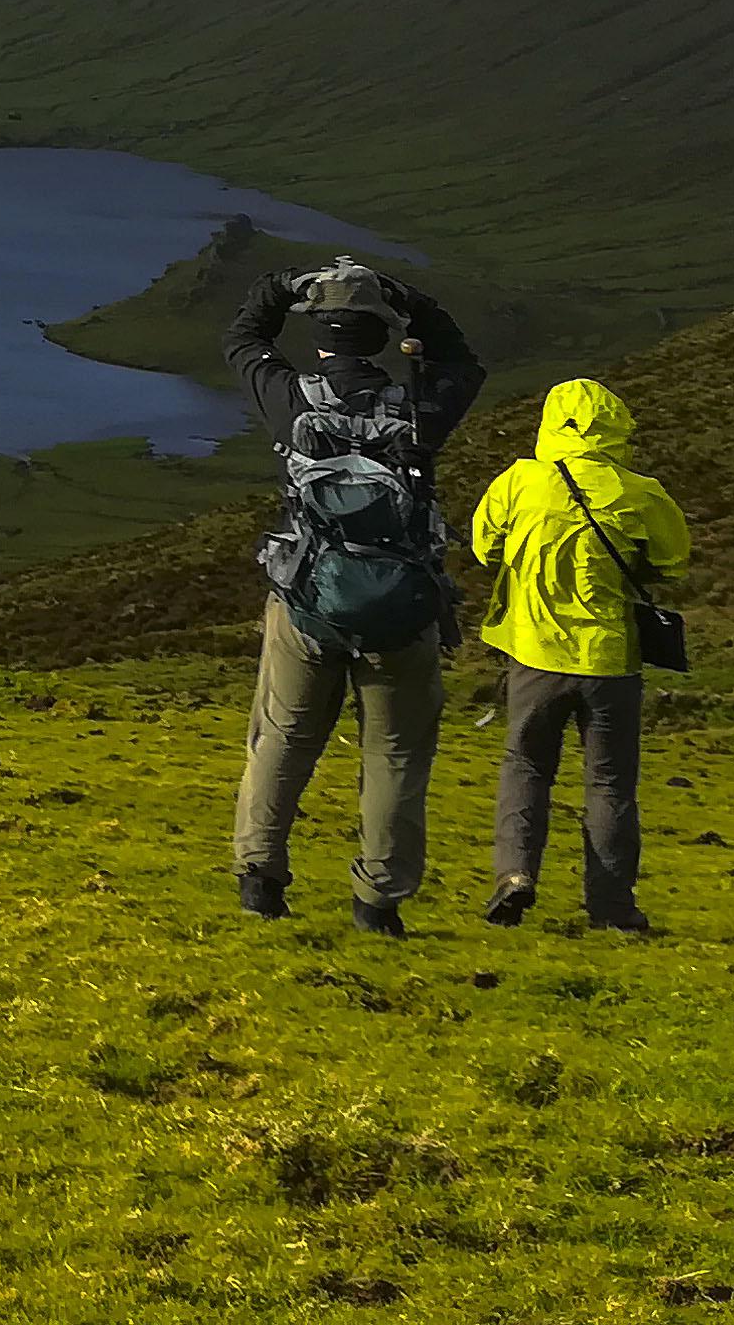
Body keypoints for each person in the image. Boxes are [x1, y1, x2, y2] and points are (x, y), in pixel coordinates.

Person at [228, 257, 486, 935]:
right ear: (377, 337)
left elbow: (243, 339)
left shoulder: (290, 401)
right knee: (395, 753)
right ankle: (377, 902)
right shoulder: (420, 407)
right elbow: (466, 361)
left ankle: (260, 879)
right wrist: (412, 301)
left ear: (319, 334)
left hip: (307, 599)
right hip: (402, 609)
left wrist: (280, 287)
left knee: (284, 738)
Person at [468, 379, 688, 936]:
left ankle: (514, 876)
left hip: (534, 652)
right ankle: (613, 908)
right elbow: (672, 560)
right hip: (610, 658)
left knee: (527, 766)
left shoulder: (519, 481)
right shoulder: (641, 492)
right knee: (610, 783)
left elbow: (483, 547)